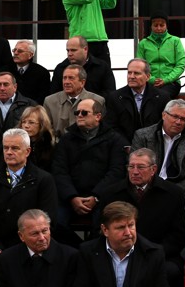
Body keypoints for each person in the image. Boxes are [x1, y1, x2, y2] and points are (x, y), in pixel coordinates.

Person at [103, 148, 185, 287]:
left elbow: (177, 237)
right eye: (131, 166)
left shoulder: (173, 194)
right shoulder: (111, 193)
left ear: (153, 169)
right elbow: (102, 230)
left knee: (172, 271)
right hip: (119, 252)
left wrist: (151, 254)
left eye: (140, 167)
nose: (135, 172)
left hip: (159, 254)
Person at [0, 128, 59, 251]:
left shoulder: (43, 180)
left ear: (27, 151)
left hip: (31, 250)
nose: (9, 152)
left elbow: (48, 220)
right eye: (5, 148)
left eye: (15, 148)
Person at [52, 97, 128, 231]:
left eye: (84, 112)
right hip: (69, 197)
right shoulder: (66, 140)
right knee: (55, 223)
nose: (79, 115)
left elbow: (116, 172)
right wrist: (72, 197)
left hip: (102, 197)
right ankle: (75, 251)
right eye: (77, 113)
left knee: (104, 226)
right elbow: (59, 171)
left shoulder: (115, 140)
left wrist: (96, 197)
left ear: (98, 116)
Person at [73, 201, 169, 287]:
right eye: (121, 227)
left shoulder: (153, 253)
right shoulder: (88, 252)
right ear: (105, 230)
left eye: (131, 225)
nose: (128, 233)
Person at [0, 209, 79, 287]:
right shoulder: (5, 260)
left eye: (44, 231)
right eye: (35, 234)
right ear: (21, 236)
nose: (42, 238)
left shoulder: (70, 257)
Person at [131, 99, 185, 197]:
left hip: (176, 191)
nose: (178, 122)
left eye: (183, 119)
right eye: (175, 116)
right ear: (164, 115)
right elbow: (135, 169)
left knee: (184, 208)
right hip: (146, 188)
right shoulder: (143, 136)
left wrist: (172, 191)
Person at [104, 58, 164, 142]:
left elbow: (163, 126)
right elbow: (111, 127)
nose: (131, 76)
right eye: (129, 73)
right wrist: (126, 146)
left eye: (136, 73)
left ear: (148, 77)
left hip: (153, 146)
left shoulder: (161, 97)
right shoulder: (115, 97)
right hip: (124, 147)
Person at [48, 35, 116, 101]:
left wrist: (90, 103)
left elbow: (110, 93)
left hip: (95, 109)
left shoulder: (102, 67)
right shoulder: (60, 68)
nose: (69, 54)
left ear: (85, 49)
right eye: (68, 50)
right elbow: (54, 95)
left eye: (73, 50)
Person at [43, 64, 105, 134]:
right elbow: (46, 130)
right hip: (59, 143)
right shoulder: (49, 101)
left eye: (71, 78)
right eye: (64, 78)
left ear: (82, 82)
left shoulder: (98, 100)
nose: (66, 82)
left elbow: (102, 129)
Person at [135, 16, 185, 100]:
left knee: (160, 96)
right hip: (148, 82)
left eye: (162, 25)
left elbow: (180, 65)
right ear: (151, 26)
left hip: (171, 83)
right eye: (155, 25)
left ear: (166, 26)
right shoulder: (143, 43)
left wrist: (165, 80)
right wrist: (151, 79)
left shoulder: (175, 41)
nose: (158, 28)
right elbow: (139, 66)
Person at [10, 39, 52, 105]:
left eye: (20, 51)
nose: (15, 53)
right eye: (14, 50)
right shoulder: (7, 70)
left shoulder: (42, 72)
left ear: (30, 55)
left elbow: (43, 97)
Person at [19, 105, 56, 172]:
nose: (26, 126)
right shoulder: (16, 143)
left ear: (42, 125)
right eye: (23, 122)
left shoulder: (52, 146)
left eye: (31, 122)